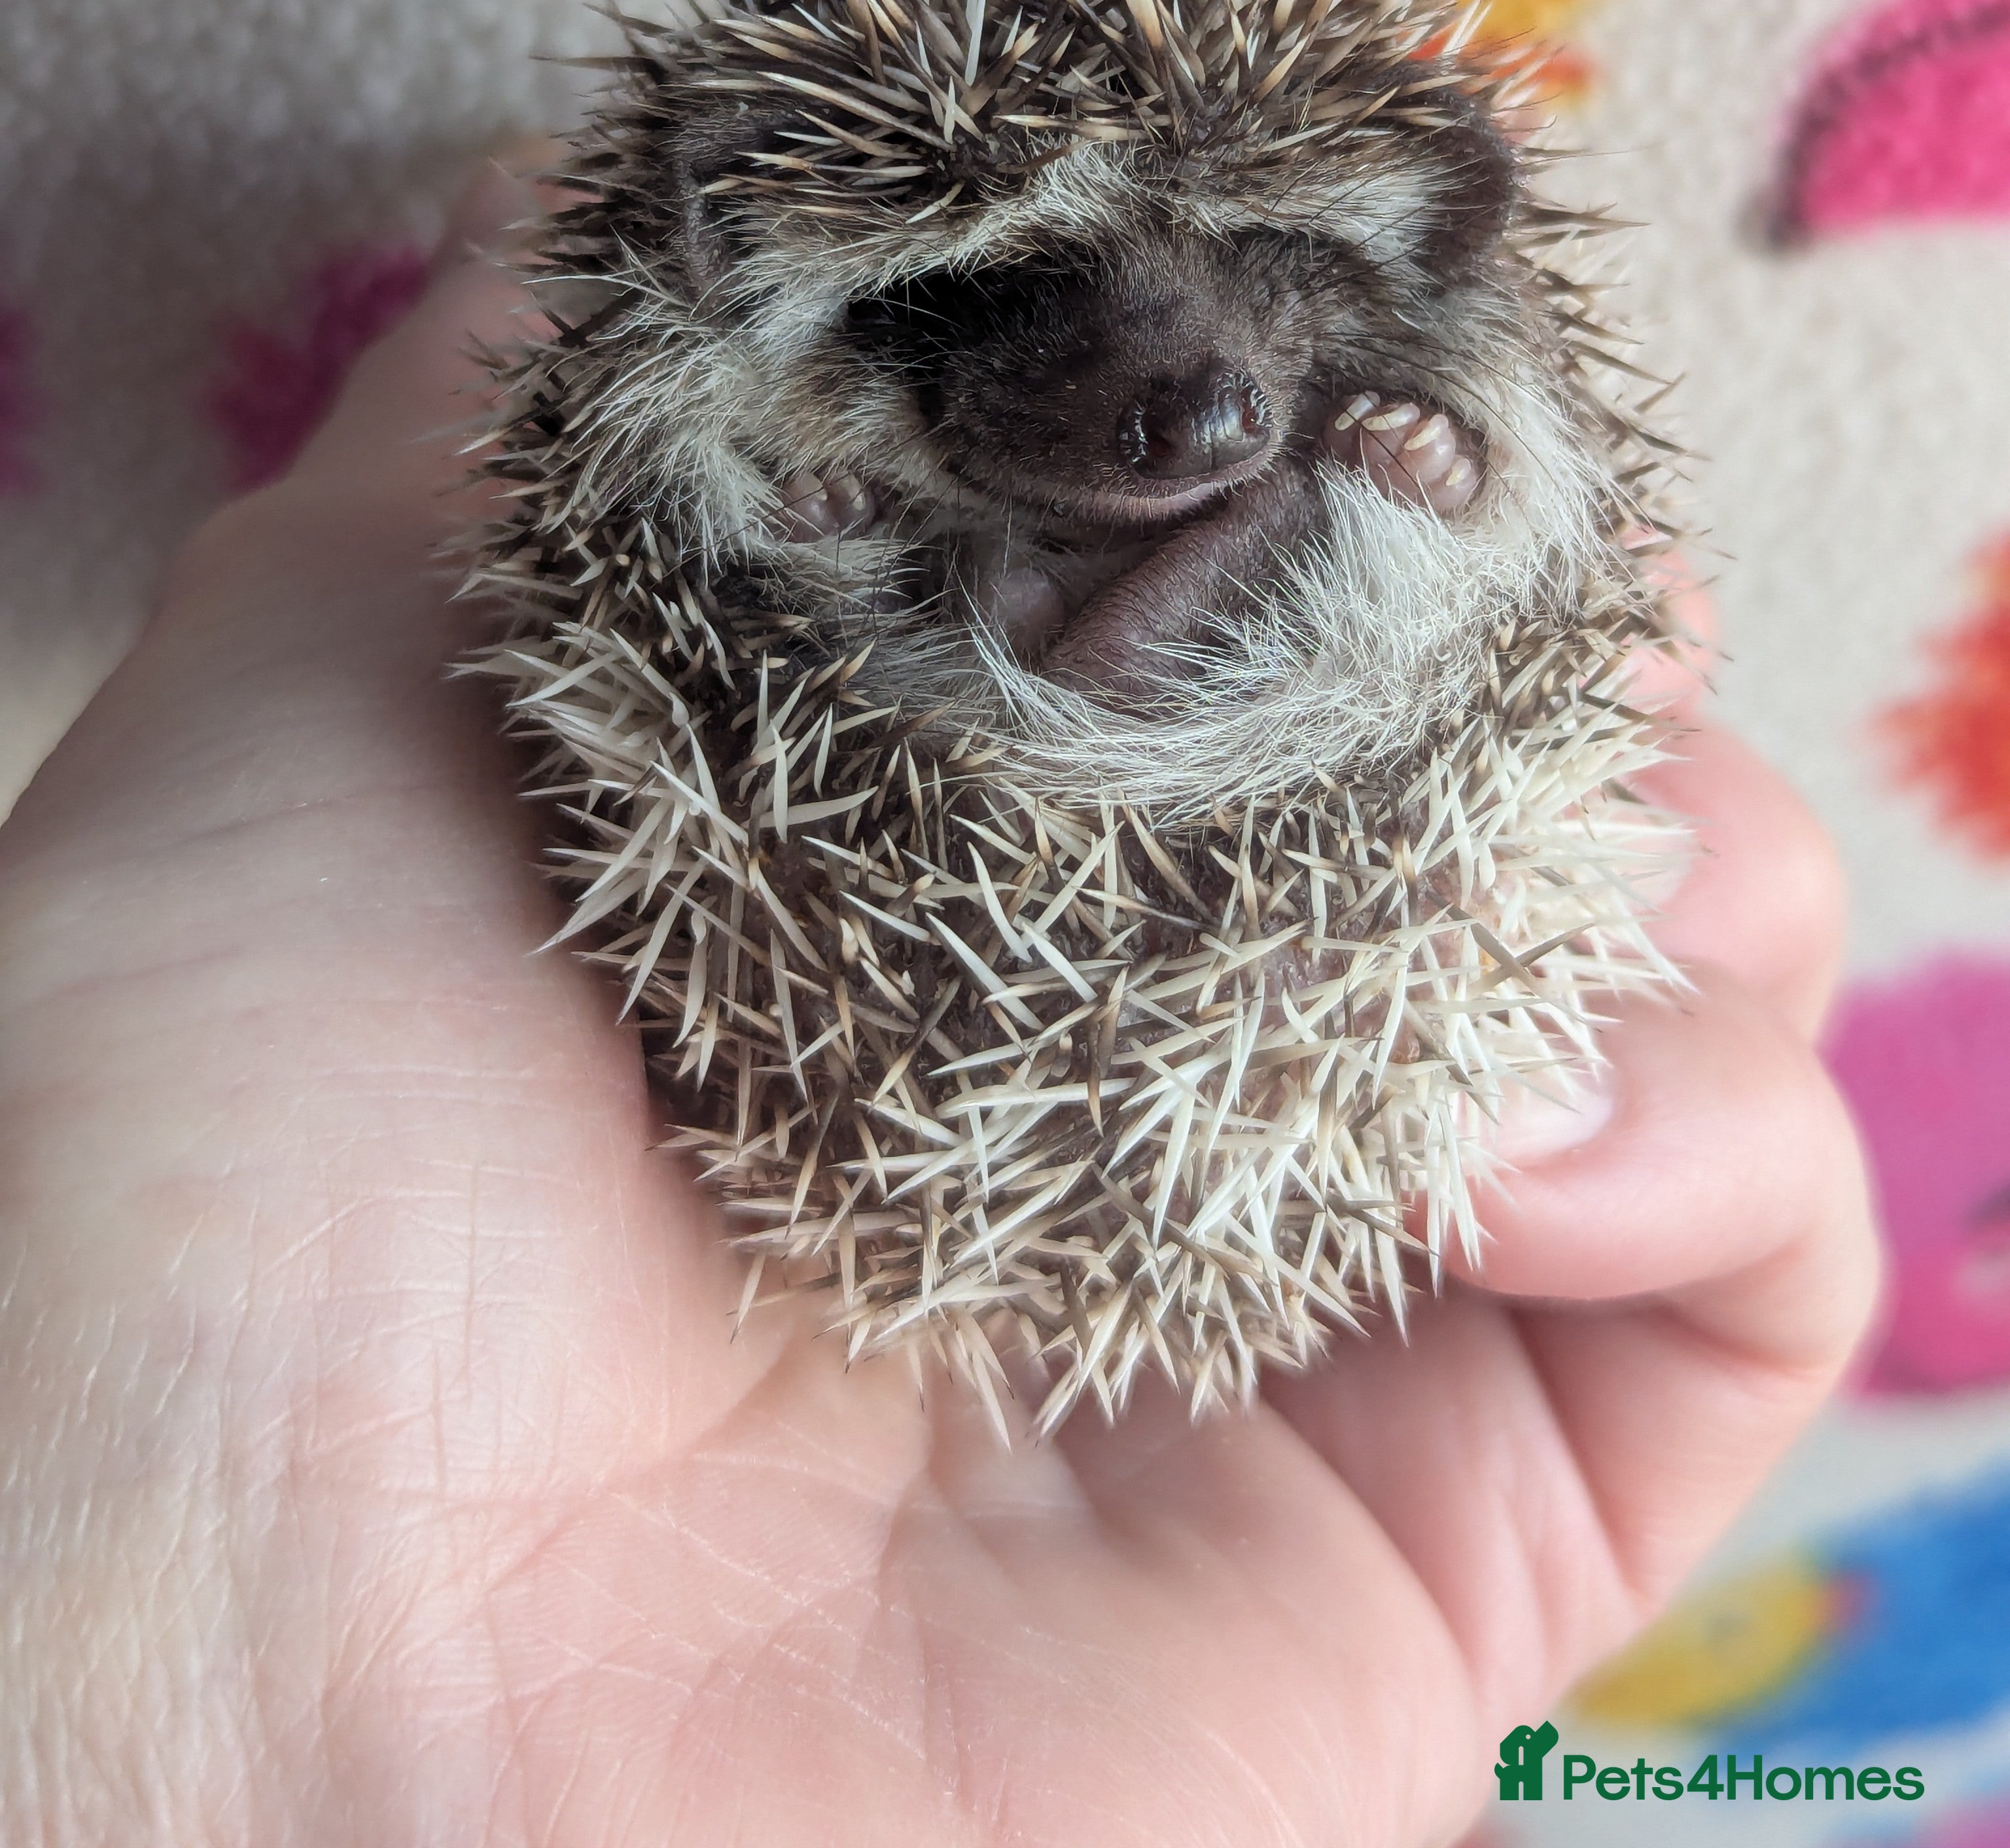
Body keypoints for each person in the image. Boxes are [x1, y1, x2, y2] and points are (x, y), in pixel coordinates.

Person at [0, 155, 1878, 1848]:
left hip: (1200, 814)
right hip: (959, 796)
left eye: (1266, 278)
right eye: (1003, 293)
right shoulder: (700, 402)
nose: (1203, 385)